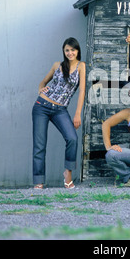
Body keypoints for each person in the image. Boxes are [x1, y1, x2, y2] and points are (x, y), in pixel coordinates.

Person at [32, 37, 86, 189]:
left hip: (60, 109)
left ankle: (67, 173)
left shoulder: (81, 66)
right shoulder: (57, 65)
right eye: (67, 50)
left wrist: (77, 114)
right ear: (64, 51)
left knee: (72, 138)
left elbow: (82, 91)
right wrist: (40, 89)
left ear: (77, 51)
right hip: (41, 106)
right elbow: (43, 82)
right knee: (39, 145)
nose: (70, 53)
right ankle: (38, 182)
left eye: (73, 50)